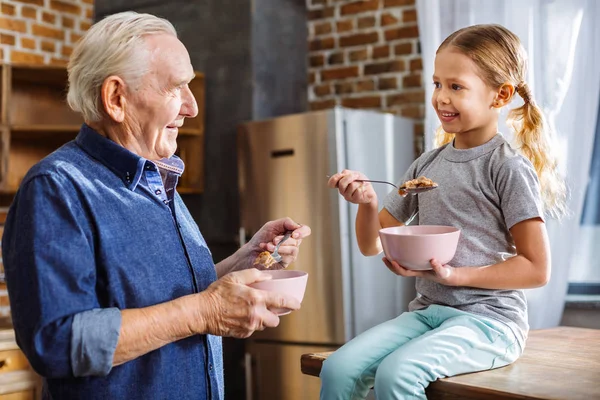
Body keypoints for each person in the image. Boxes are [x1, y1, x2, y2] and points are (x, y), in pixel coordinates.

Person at [2, 11, 311, 400]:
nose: (192, 107)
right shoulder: (56, 189)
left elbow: (160, 296)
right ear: (116, 98)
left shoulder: (158, 181)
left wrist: (244, 262)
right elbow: (57, 342)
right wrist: (204, 312)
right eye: (176, 88)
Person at [322, 23, 566, 399]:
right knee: (337, 369)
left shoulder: (507, 167)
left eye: (456, 87)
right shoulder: (427, 164)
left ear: (500, 96)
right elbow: (372, 244)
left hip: (491, 323)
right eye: (437, 84)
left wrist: (455, 275)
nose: (441, 98)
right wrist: (368, 202)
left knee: (398, 375)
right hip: (428, 313)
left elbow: (537, 268)